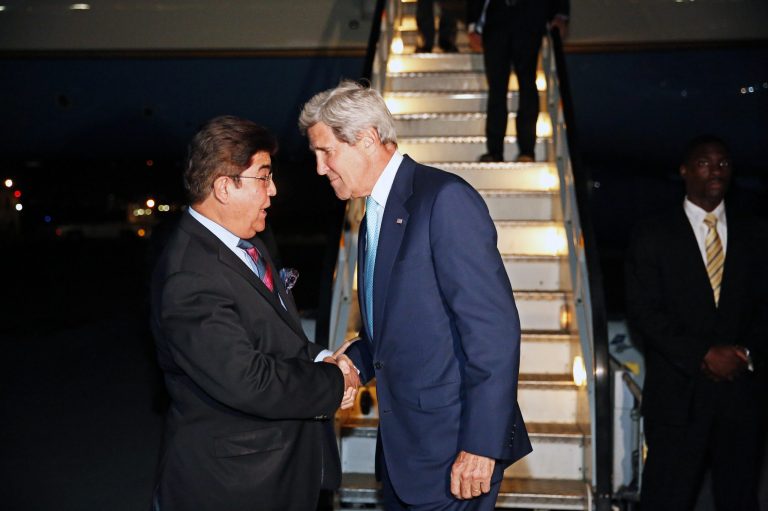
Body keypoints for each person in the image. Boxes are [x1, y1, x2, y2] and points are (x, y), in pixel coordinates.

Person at [299, 80, 530, 510]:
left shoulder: (444, 200)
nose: (319, 167)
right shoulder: (372, 214)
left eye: (326, 151)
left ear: (367, 139)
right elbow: (395, 328)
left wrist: (481, 445)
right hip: (406, 453)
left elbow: (493, 332)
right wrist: (354, 362)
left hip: (456, 451)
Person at [150, 115, 359, 511]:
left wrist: (320, 358)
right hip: (233, 485)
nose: (273, 190)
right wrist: (333, 380)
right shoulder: (189, 275)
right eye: (263, 177)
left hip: (274, 471)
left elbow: (275, 335)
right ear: (224, 187)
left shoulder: (246, 242)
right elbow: (249, 381)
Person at [625, 135, 767, 511]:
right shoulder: (653, 232)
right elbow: (643, 311)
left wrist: (745, 353)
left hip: (741, 397)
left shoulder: (757, 233)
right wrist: (703, 354)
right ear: (685, 170)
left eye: (723, 163)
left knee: (740, 499)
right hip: (677, 398)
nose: (715, 171)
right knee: (666, 499)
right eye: (705, 163)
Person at [467, 0, 569, 162]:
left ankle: (527, 151)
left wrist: (560, 15)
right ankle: (495, 151)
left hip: (530, 17)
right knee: (497, 87)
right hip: (497, 19)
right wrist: (473, 24)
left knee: (527, 84)